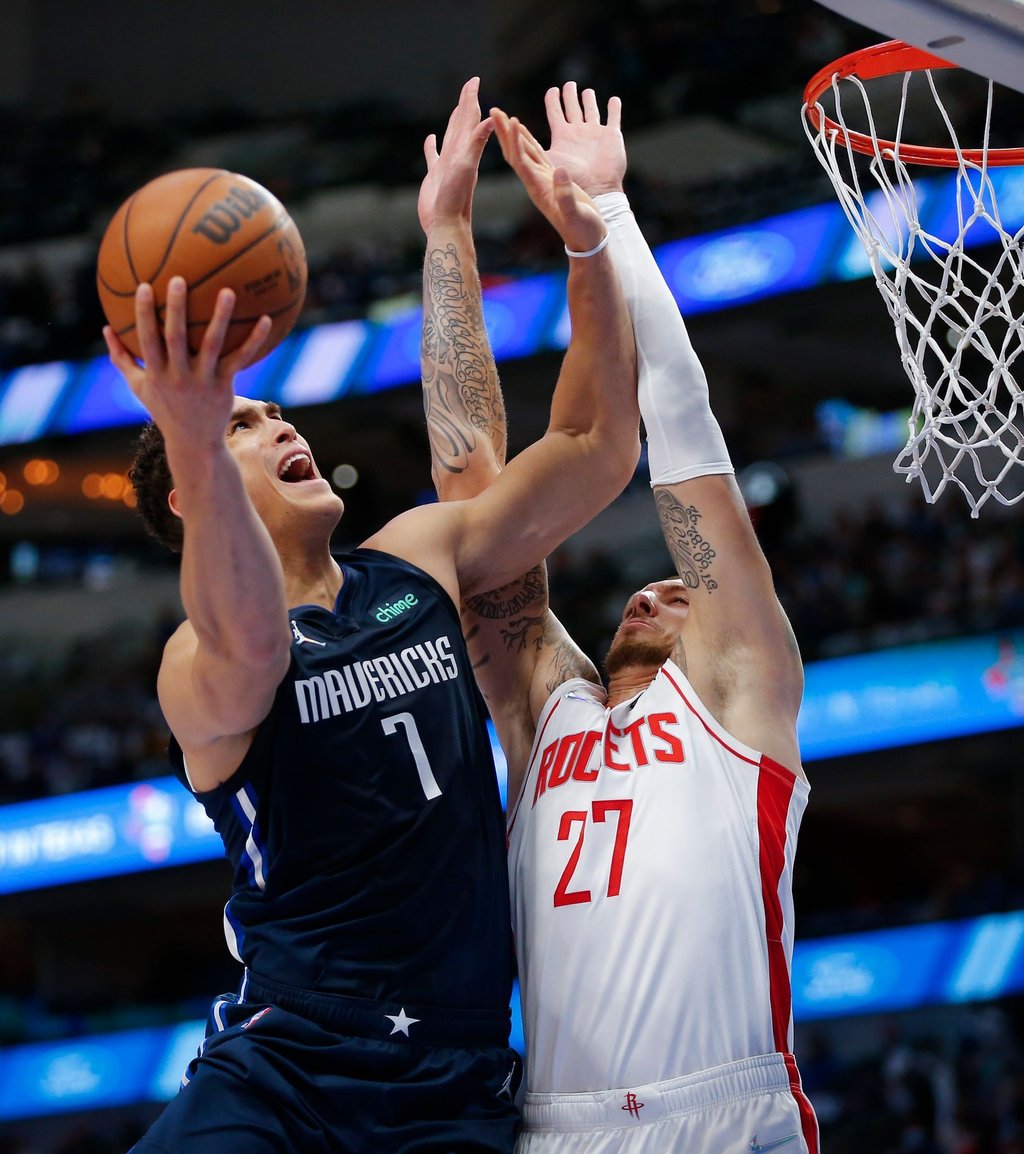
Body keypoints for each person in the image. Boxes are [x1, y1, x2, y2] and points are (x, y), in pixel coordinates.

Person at [104, 77, 639, 1154]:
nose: (279, 422)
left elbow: (594, 451)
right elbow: (255, 639)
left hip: (454, 1081)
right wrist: (200, 433)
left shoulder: (417, 561)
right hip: (284, 1073)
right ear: (186, 490)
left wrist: (591, 244)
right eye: (250, 422)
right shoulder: (194, 662)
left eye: (274, 410)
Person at [422, 83, 820, 1154]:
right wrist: (446, 237)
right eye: (642, 585)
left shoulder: (736, 696)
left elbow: (681, 428)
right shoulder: (547, 712)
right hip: (558, 1129)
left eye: (678, 589)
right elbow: (470, 488)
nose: (653, 587)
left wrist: (609, 219)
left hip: (725, 1108)